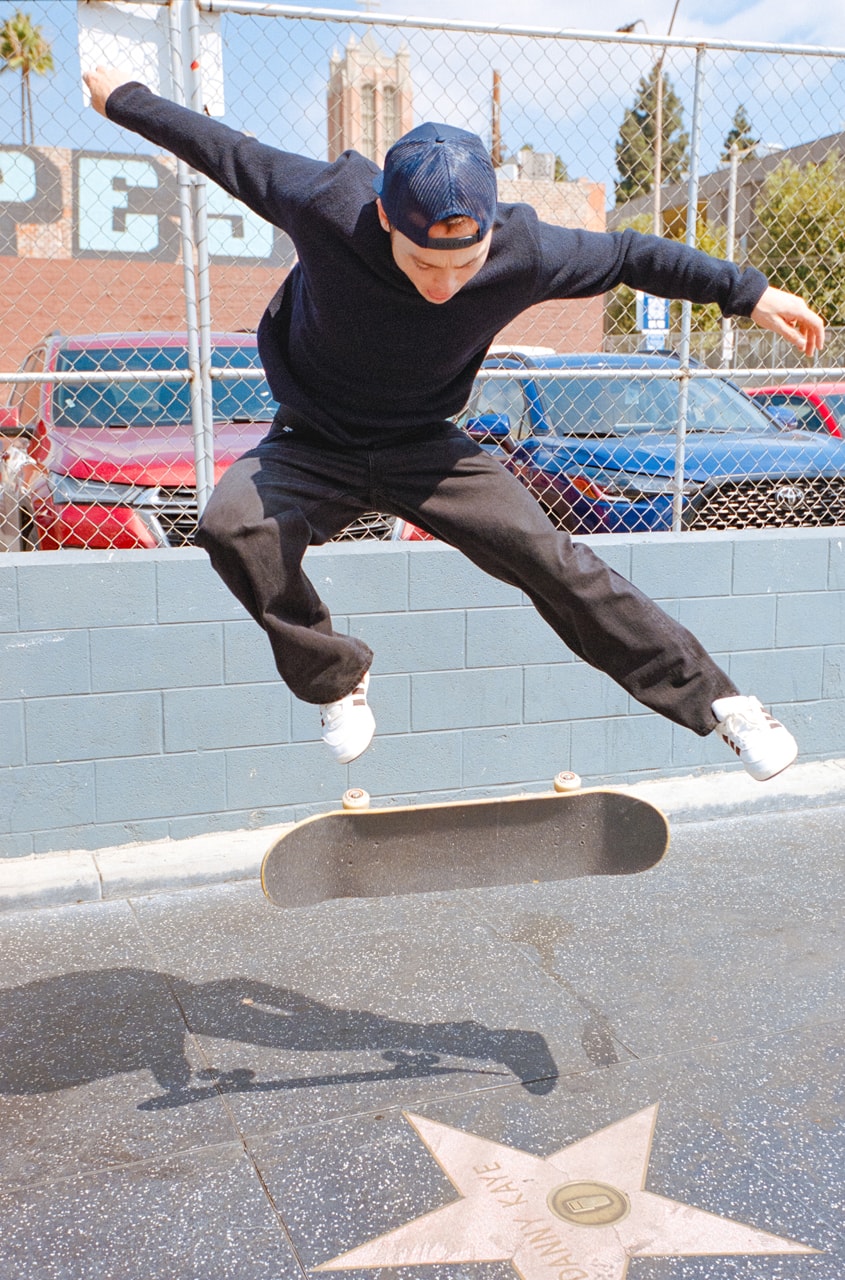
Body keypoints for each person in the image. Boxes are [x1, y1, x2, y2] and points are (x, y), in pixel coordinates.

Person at [84, 66, 824, 780]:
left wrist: (748, 293)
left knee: (553, 562)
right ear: (381, 216)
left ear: (491, 232)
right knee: (230, 524)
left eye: (463, 267)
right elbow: (222, 150)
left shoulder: (526, 250)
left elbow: (631, 254)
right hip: (312, 440)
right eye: (420, 263)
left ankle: (723, 704)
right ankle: (335, 676)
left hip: (427, 449)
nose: (442, 287)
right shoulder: (324, 202)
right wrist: (124, 97)